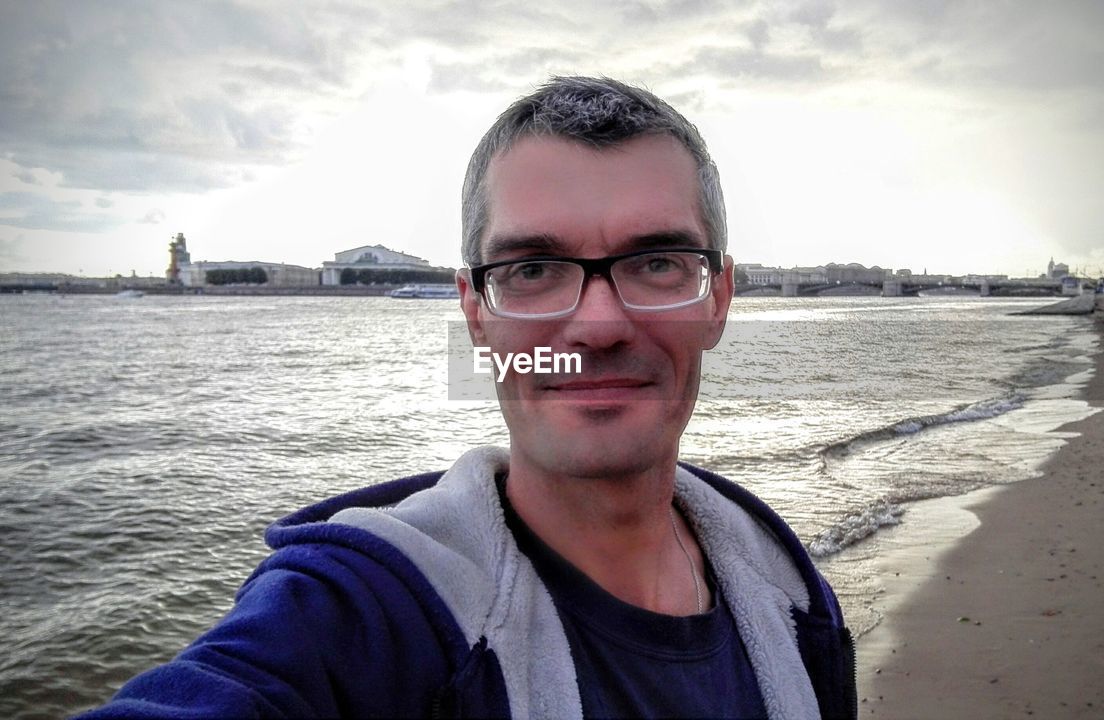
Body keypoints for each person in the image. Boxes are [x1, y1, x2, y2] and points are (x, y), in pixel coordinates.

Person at [80, 77, 855, 719]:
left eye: (656, 262)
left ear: (718, 296)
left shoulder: (789, 592)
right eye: (530, 270)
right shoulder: (363, 613)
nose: (596, 325)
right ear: (475, 311)